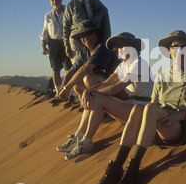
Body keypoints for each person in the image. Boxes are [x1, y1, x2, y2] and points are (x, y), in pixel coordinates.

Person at [90, 30, 186, 184]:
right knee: (140, 108)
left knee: (148, 108)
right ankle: (115, 168)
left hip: (182, 127)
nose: (179, 51)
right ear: (169, 51)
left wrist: (180, 116)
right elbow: (152, 107)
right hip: (161, 125)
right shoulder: (162, 76)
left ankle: (132, 169)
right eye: (175, 47)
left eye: (184, 47)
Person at [57, 32, 154, 160]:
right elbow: (107, 82)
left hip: (142, 113)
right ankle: (78, 136)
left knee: (98, 97)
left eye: (124, 46)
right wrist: (89, 91)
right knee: (94, 96)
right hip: (129, 109)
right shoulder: (123, 65)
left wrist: (91, 92)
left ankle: (86, 142)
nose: (120, 49)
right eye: (118, 47)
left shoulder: (139, 64)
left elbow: (117, 87)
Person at [56, 20, 120, 103]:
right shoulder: (83, 52)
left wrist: (67, 88)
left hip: (117, 85)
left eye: (89, 33)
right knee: (76, 85)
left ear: (96, 33)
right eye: (82, 35)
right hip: (102, 85)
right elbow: (71, 72)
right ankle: (93, 106)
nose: (86, 37)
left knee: (89, 79)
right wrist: (62, 89)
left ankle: (106, 104)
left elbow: (85, 69)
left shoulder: (103, 47)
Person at [63, 0, 111, 64]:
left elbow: (106, 26)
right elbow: (65, 27)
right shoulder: (71, 5)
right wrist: (66, 45)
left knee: (94, 69)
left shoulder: (99, 5)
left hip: (95, 43)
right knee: (78, 69)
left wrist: (106, 43)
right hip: (77, 44)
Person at [40, 0, 72, 95]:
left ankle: (70, 93)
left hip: (67, 43)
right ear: (50, 1)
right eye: (52, 0)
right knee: (55, 69)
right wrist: (43, 46)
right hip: (53, 45)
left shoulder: (69, 11)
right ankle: (58, 93)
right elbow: (45, 32)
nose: (54, 1)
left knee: (69, 69)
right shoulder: (48, 15)